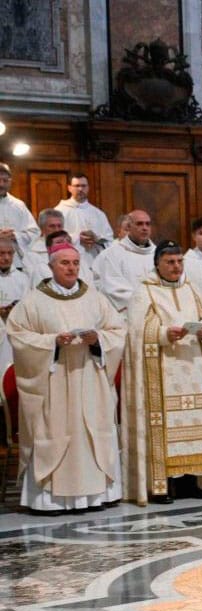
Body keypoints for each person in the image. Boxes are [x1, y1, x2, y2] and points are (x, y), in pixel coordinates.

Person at [8, 242, 126, 513]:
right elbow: (18, 335)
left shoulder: (94, 297)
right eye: (64, 263)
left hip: (90, 378)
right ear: (51, 267)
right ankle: (50, 501)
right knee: (55, 430)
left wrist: (99, 339)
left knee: (91, 430)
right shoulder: (33, 301)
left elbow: (118, 330)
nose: (71, 268)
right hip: (54, 381)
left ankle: (96, 496)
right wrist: (53, 342)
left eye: (75, 263)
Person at [121, 240, 202, 505]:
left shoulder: (190, 290)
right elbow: (136, 331)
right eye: (170, 262)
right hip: (162, 370)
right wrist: (162, 334)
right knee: (167, 429)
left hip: (193, 369)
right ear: (157, 264)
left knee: (195, 427)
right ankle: (163, 486)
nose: (176, 267)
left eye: (180, 261)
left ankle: (192, 482)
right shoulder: (144, 292)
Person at [92, 210, 156, 314]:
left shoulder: (158, 254)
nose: (145, 228)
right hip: (127, 315)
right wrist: (145, 305)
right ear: (129, 227)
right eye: (139, 224)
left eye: (148, 224)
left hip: (157, 313)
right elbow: (113, 288)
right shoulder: (111, 255)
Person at [54, 173, 113, 258]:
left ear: (88, 188)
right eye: (77, 186)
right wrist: (77, 238)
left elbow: (109, 240)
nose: (80, 189)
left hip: (94, 259)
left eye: (83, 186)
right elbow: (53, 237)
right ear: (69, 188)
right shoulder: (59, 211)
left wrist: (96, 238)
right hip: (68, 259)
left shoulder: (98, 214)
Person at [0, 238, 31, 374]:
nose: (6, 258)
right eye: (1, 253)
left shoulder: (22, 278)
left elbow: (28, 306)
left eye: (10, 253)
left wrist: (15, 310)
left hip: (13, 332)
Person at [0, 162, 40, 262]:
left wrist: (15, 236)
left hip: (16, 262)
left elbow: (34, 232)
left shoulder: (18, 205)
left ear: (10, 181)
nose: (1, 184)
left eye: (5, 180)